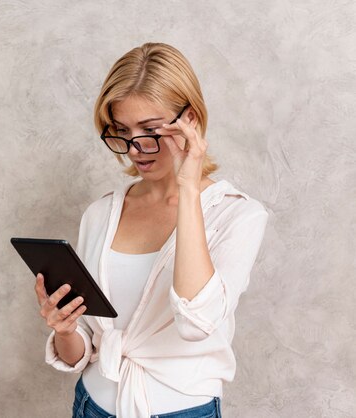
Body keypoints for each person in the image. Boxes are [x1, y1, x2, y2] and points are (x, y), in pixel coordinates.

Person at [33, 43, 269, 418]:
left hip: (182, 411)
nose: (135, 149)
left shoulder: (237, 215)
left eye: (150, 129)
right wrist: (64, 330)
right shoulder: (100, 214)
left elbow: (196, 323)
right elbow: (84, 350)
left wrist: (189, 187)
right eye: (121, 131)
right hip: (91, 406)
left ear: (189, 120)